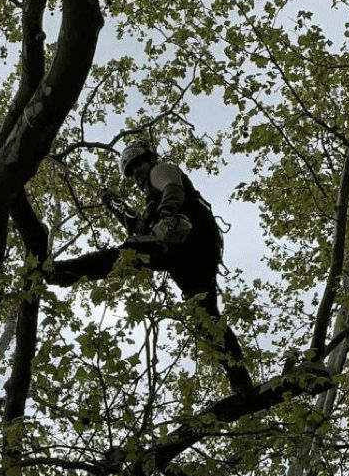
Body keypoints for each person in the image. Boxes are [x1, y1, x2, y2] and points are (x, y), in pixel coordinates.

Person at [48, 140, 254, 394]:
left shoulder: (162, 170)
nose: (137, 174)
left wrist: (167, 212)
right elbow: (140, 229)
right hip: (192, 260)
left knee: (118, 257)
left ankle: (61, 272)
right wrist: (114, 206)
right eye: (132, 172)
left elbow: (173, 189)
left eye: (138, 166)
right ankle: (240, 380)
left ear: (150, 159)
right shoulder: (150, 204)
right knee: (206, 319)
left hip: (186, 241)